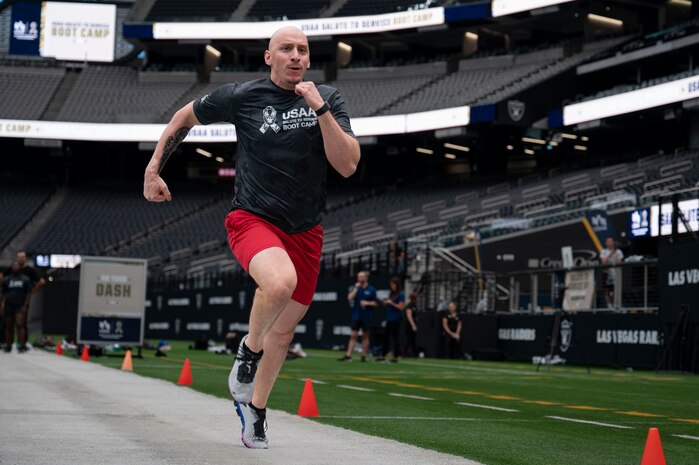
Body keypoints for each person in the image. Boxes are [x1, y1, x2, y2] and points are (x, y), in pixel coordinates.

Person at [143, 25, 360, 449]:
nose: (296, 56)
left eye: (302, 50)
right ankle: (246, 351)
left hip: (306, 230)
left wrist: (320, 111)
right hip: (252, 219)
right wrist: (154, 168)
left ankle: (254, 410)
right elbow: (182, 117)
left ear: (309, 59)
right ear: (269, 57)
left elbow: (349, 165)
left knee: (284, 333)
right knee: (279, 282)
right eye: (286, 49)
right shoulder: (243, 97)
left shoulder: (328, 99)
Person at [0, 251, 45, 350]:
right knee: (8, 324)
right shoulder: (10, 272)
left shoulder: (29, 272)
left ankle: (23, 344)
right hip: (10, 301)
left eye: (23, 257)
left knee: (22, 323)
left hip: (23, 300)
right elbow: (1, 277)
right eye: (19, 257)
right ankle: (7, 343)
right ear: (16, 258)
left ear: (25, 258)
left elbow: (41, 282)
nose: (21, 259)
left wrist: (32, 291)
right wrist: (4, 286)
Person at [339, 271, 377, 362]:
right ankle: (349, 355)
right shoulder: (355, 288)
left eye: (362, 277)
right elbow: (349, 298)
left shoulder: (371, 289)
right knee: (353, 335)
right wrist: (356, 288)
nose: (360, 279)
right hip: (356, 315)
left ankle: (363, 355)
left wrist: (367, 303)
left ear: (366, 278)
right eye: (359, 277)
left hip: (366, 316)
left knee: (365, 335)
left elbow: (375, 303)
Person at [0, 262, 32, 353]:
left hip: (20, 305)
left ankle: (22, 345)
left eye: (17, 266)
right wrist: (0, 305)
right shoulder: (6, 279)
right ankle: (8, 345)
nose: (15, 268)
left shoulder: (25, 279)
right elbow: (2, 293)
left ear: (20, 268)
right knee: (8, 326)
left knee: (19, 325)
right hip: (8, 305)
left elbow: (28, 294)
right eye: (13, 266)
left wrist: (25, 306)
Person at [377, 277, 405, 363]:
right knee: (385, 337)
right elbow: (388, 305)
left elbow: (401, 307)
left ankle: (395, 356)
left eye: (393, 284)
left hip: (396, 318)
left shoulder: (401, 294)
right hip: (389, 318)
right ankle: (382, 355)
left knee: (395, 338)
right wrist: (385, 302)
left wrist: (391, 303)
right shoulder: (391, 294)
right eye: (391, 285)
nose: (392, 286)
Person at [600, 237, 624, 309]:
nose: (609, 243)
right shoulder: (603, 251)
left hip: (616, 273)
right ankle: (609, 306)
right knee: (607, 290)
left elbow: (619, 262)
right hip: (606, 273)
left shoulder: (619, 251)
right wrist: (611, 254)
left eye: (611, 241)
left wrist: (617, 258)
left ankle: (617, 305)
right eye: (607, 241)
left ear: (614, 242)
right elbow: (604, 262)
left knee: (616, 289)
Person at [402, 292, 418, 357]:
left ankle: (414, 353)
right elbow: (409, 316)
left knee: (413, 339)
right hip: (408, 325)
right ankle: (404, 352)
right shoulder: (409, 306)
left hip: (413, 324)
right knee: (408, 339)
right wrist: (413, 325)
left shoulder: (414, 305)